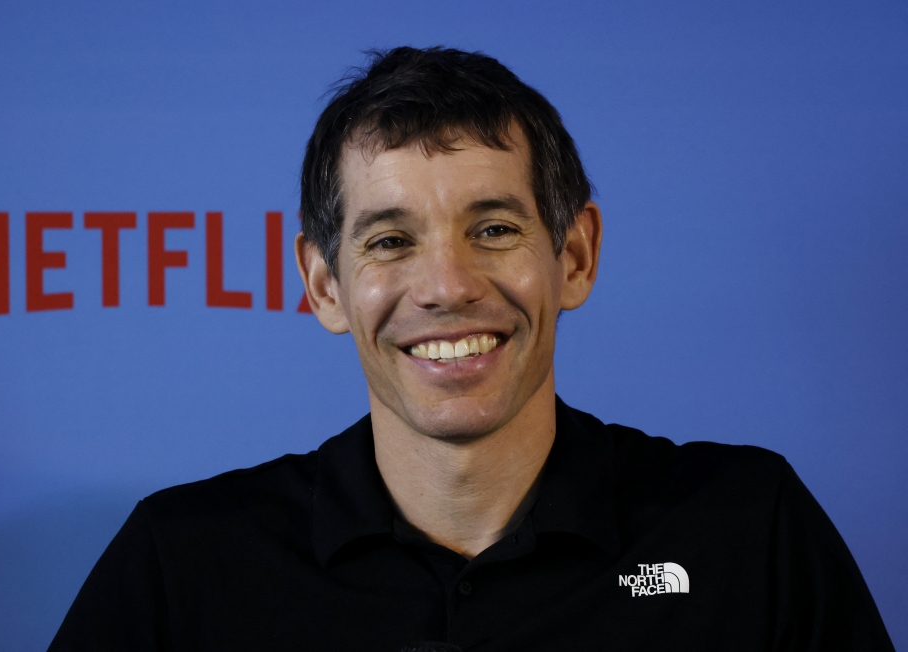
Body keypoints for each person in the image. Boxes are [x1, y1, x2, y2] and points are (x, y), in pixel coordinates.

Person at [48, 46, 894, 651]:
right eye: (389, 241)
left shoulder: (748, 529)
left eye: (493, 229)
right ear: (324, 287)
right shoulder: (184, 560)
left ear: (574, 257)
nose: (447, 285)